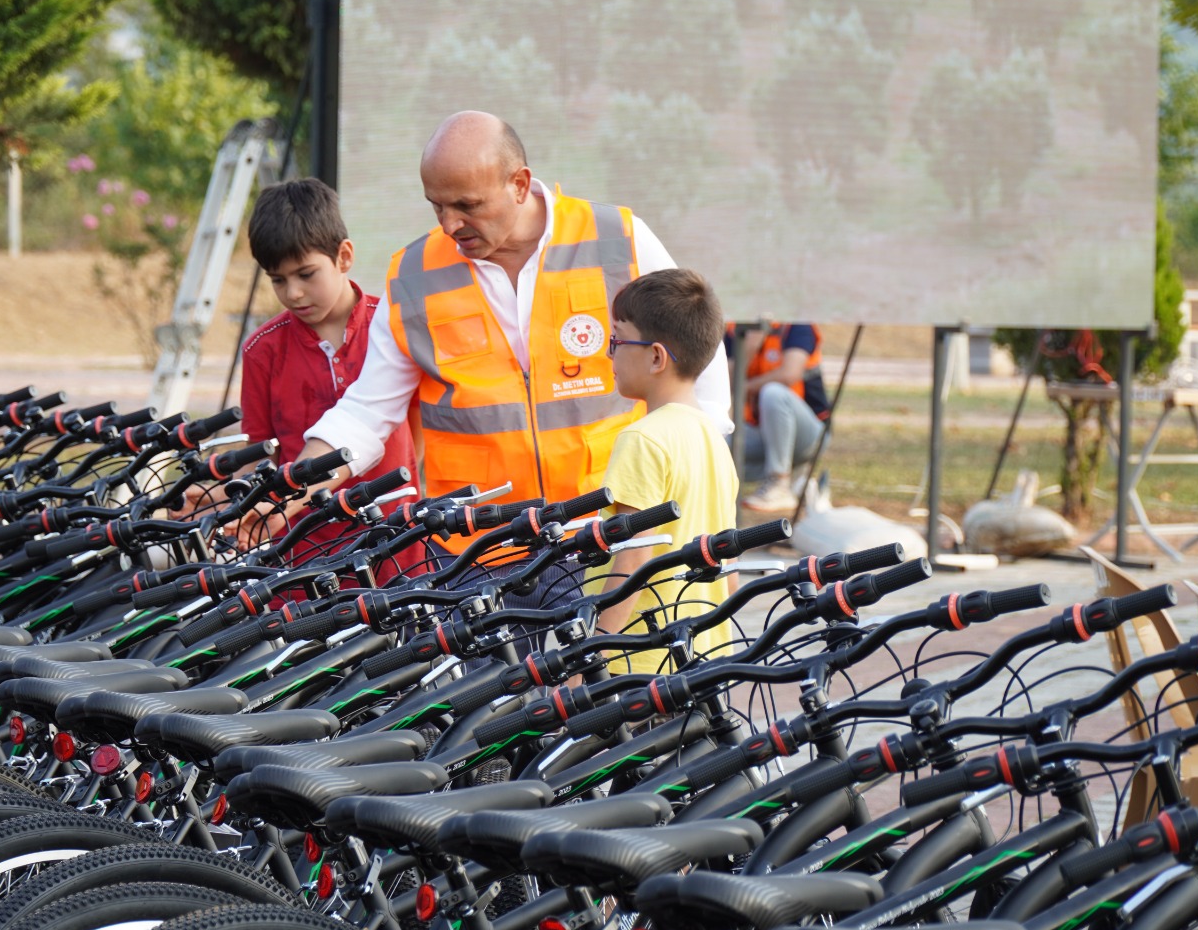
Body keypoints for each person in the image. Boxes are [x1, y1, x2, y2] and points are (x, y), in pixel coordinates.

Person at [276, 111, 732, 577]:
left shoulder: (620, 238)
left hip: (606, 535)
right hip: (476, 550)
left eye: (467, 205)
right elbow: (366, 412)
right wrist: (292, 486)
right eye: (437, 206)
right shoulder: (412, 275)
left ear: (519, 184)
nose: (450, 224)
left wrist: (702, 466)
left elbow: (698, 362)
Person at [234, 177, 424, 580]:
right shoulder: (261, 351)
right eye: (278, 280)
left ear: (344, 256)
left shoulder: (392, 326)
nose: (295, 294)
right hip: (303, 551)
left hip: (398, 542)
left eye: (306, 274)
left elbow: (421, 438)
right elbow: (259, 454)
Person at [593, 269, 737, 670]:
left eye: (617, 341)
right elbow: (728, 559)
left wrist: (591, 656)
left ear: (655, 356)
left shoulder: (643, 439)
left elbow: (634, 559)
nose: (610, 355)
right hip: (700, 656)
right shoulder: (711, 438)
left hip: (638, 663)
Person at [731, 322, 830, 513]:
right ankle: (797, 480)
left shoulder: (797, 327)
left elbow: (789, 374)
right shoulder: (736, 329)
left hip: (809, 436)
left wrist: (745, 388)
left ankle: (779, 483)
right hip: (761, 433)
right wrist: (750, 345)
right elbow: (724, 381)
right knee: (716, 444)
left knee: (773, 393)